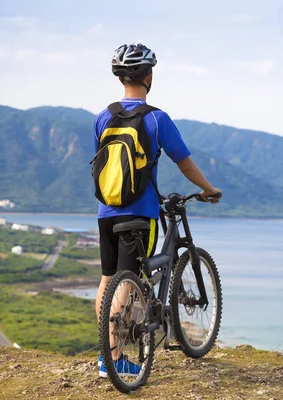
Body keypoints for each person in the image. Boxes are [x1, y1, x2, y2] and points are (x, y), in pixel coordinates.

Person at [93, 43, 221, 378]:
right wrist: (208, 189)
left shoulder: (102, 117)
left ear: (120, 77)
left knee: (108, 280)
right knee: (129, 280)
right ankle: (114, 359)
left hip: (106, 210)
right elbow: (185, 163)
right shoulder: (156, 119)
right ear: (148, 76)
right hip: (140, 211)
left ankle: (105, 354)